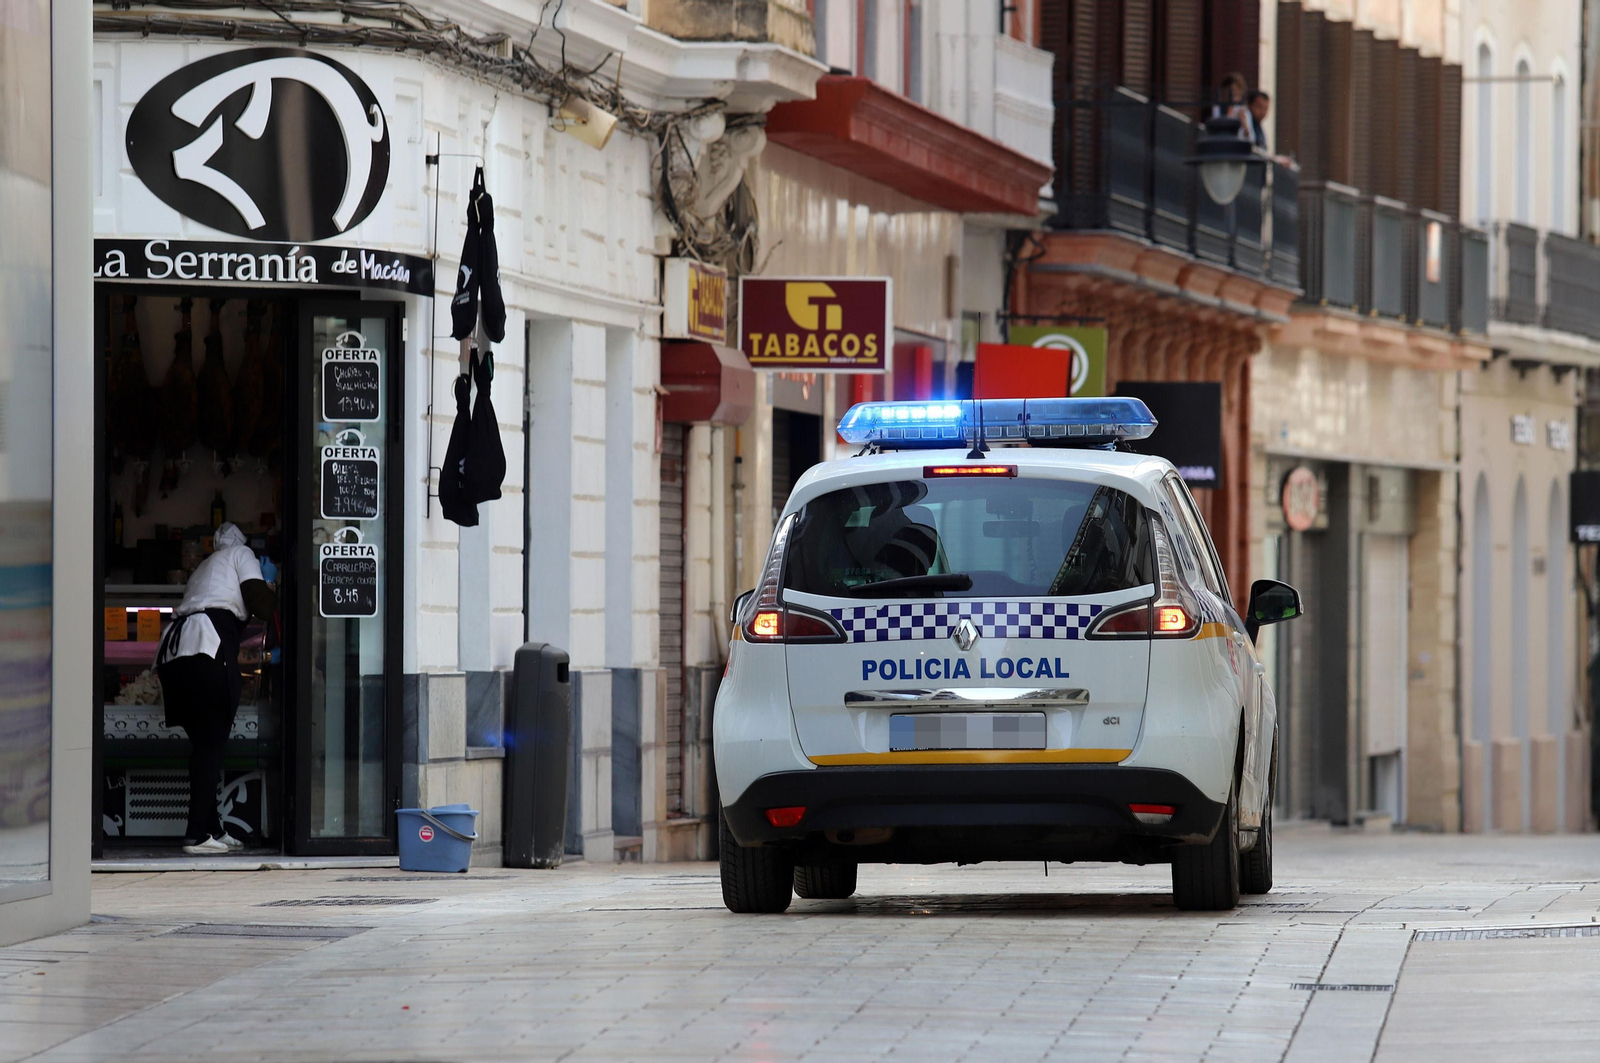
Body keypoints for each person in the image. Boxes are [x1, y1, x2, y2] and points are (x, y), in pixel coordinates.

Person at [155, 523, 277, 855]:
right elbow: (263, 606)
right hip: (207, 648)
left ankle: (211, 828)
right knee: (211, 746)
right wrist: (273, 582)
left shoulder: (205, 566)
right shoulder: (242, 554)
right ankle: (196, 835)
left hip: (175, 653)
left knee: (203, 746)